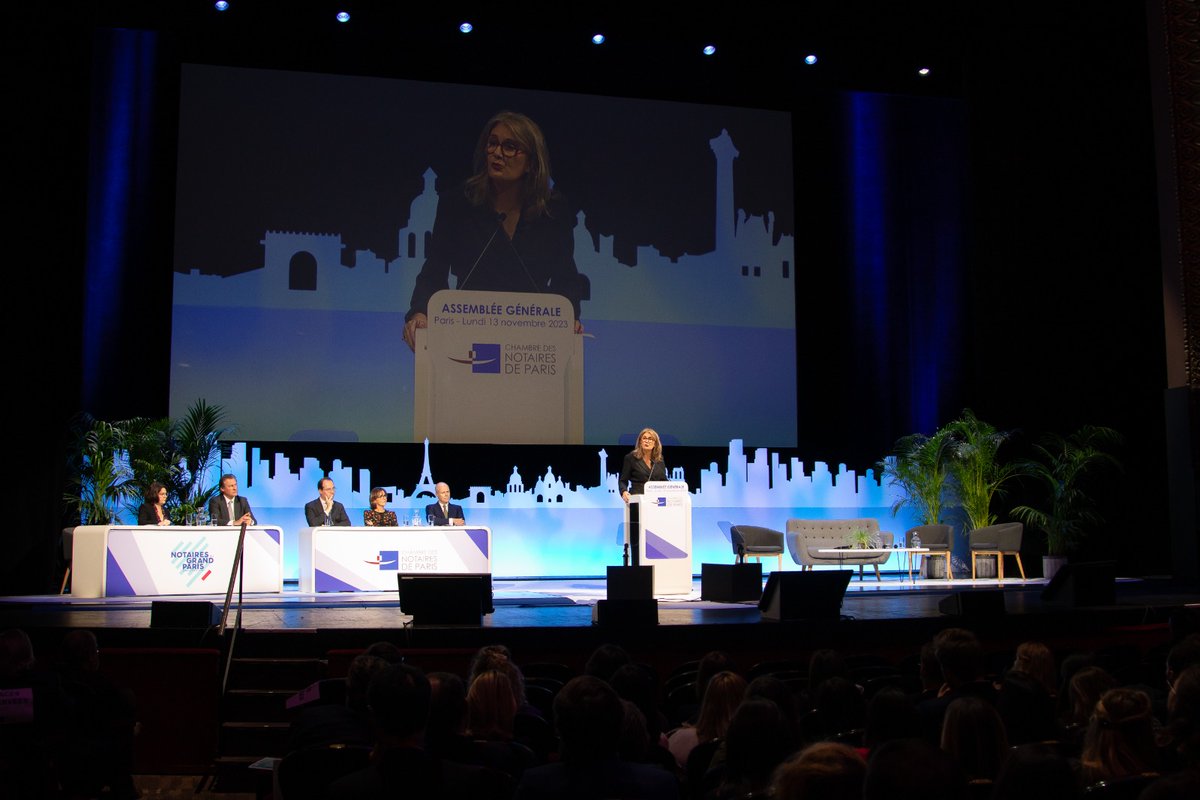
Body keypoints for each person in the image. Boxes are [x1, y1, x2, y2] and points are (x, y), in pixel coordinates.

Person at [402, 110, 585, 351]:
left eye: (510, 147)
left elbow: (566, 277)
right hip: (469, 333)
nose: (497, 153)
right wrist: (420, 313)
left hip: (531, 341)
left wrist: (567, 318)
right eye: (493, 144)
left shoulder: (552, 210)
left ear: (531, 162)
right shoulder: (459, 203)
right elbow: (434, 271)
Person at [619, 428, 668, 503]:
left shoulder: (659, 460)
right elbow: (623, 480)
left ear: (655, 443)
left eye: (650, 439)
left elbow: (663, 480)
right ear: (640, 442)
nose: (647, 441)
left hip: (657, 500)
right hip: (638, 499)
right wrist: (624, 492)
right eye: (644, 438)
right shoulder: (631, 458)